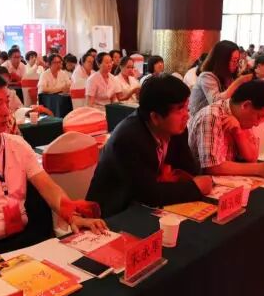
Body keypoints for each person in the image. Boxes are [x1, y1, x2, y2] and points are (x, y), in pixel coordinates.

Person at [0, 71, 107, 269]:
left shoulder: (17, 145)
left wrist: (72, 216)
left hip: (24, 239)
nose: (6, 111)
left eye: (6, 102)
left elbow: (48, 187)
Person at [87, 75, 211, 217]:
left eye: (186, 107)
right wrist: (194, 188)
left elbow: (189, 169)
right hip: (112, 213)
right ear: (155, 117)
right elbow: (148, 194)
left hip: (145, 208)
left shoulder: (176, 129)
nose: (186, 115)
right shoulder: (128, 138)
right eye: (179, 109)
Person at [189, 80, 264, 178]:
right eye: (258, 117)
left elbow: (252, 158)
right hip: (204, 182)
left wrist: (238, 133)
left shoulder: (240, 117)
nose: (256, 124)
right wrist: (259, 169)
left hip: (230, 180)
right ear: (246, 105)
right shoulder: (211, 116)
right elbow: (212, 167)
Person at [189, 40, 253, 116]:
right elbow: (216, 102)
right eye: (233, 61)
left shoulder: (228, 76)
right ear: (222, 60)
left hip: (217, 117)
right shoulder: (206, 76)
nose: (236, 65)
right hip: (201, 119)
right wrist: (238, 82)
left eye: (237, 61)